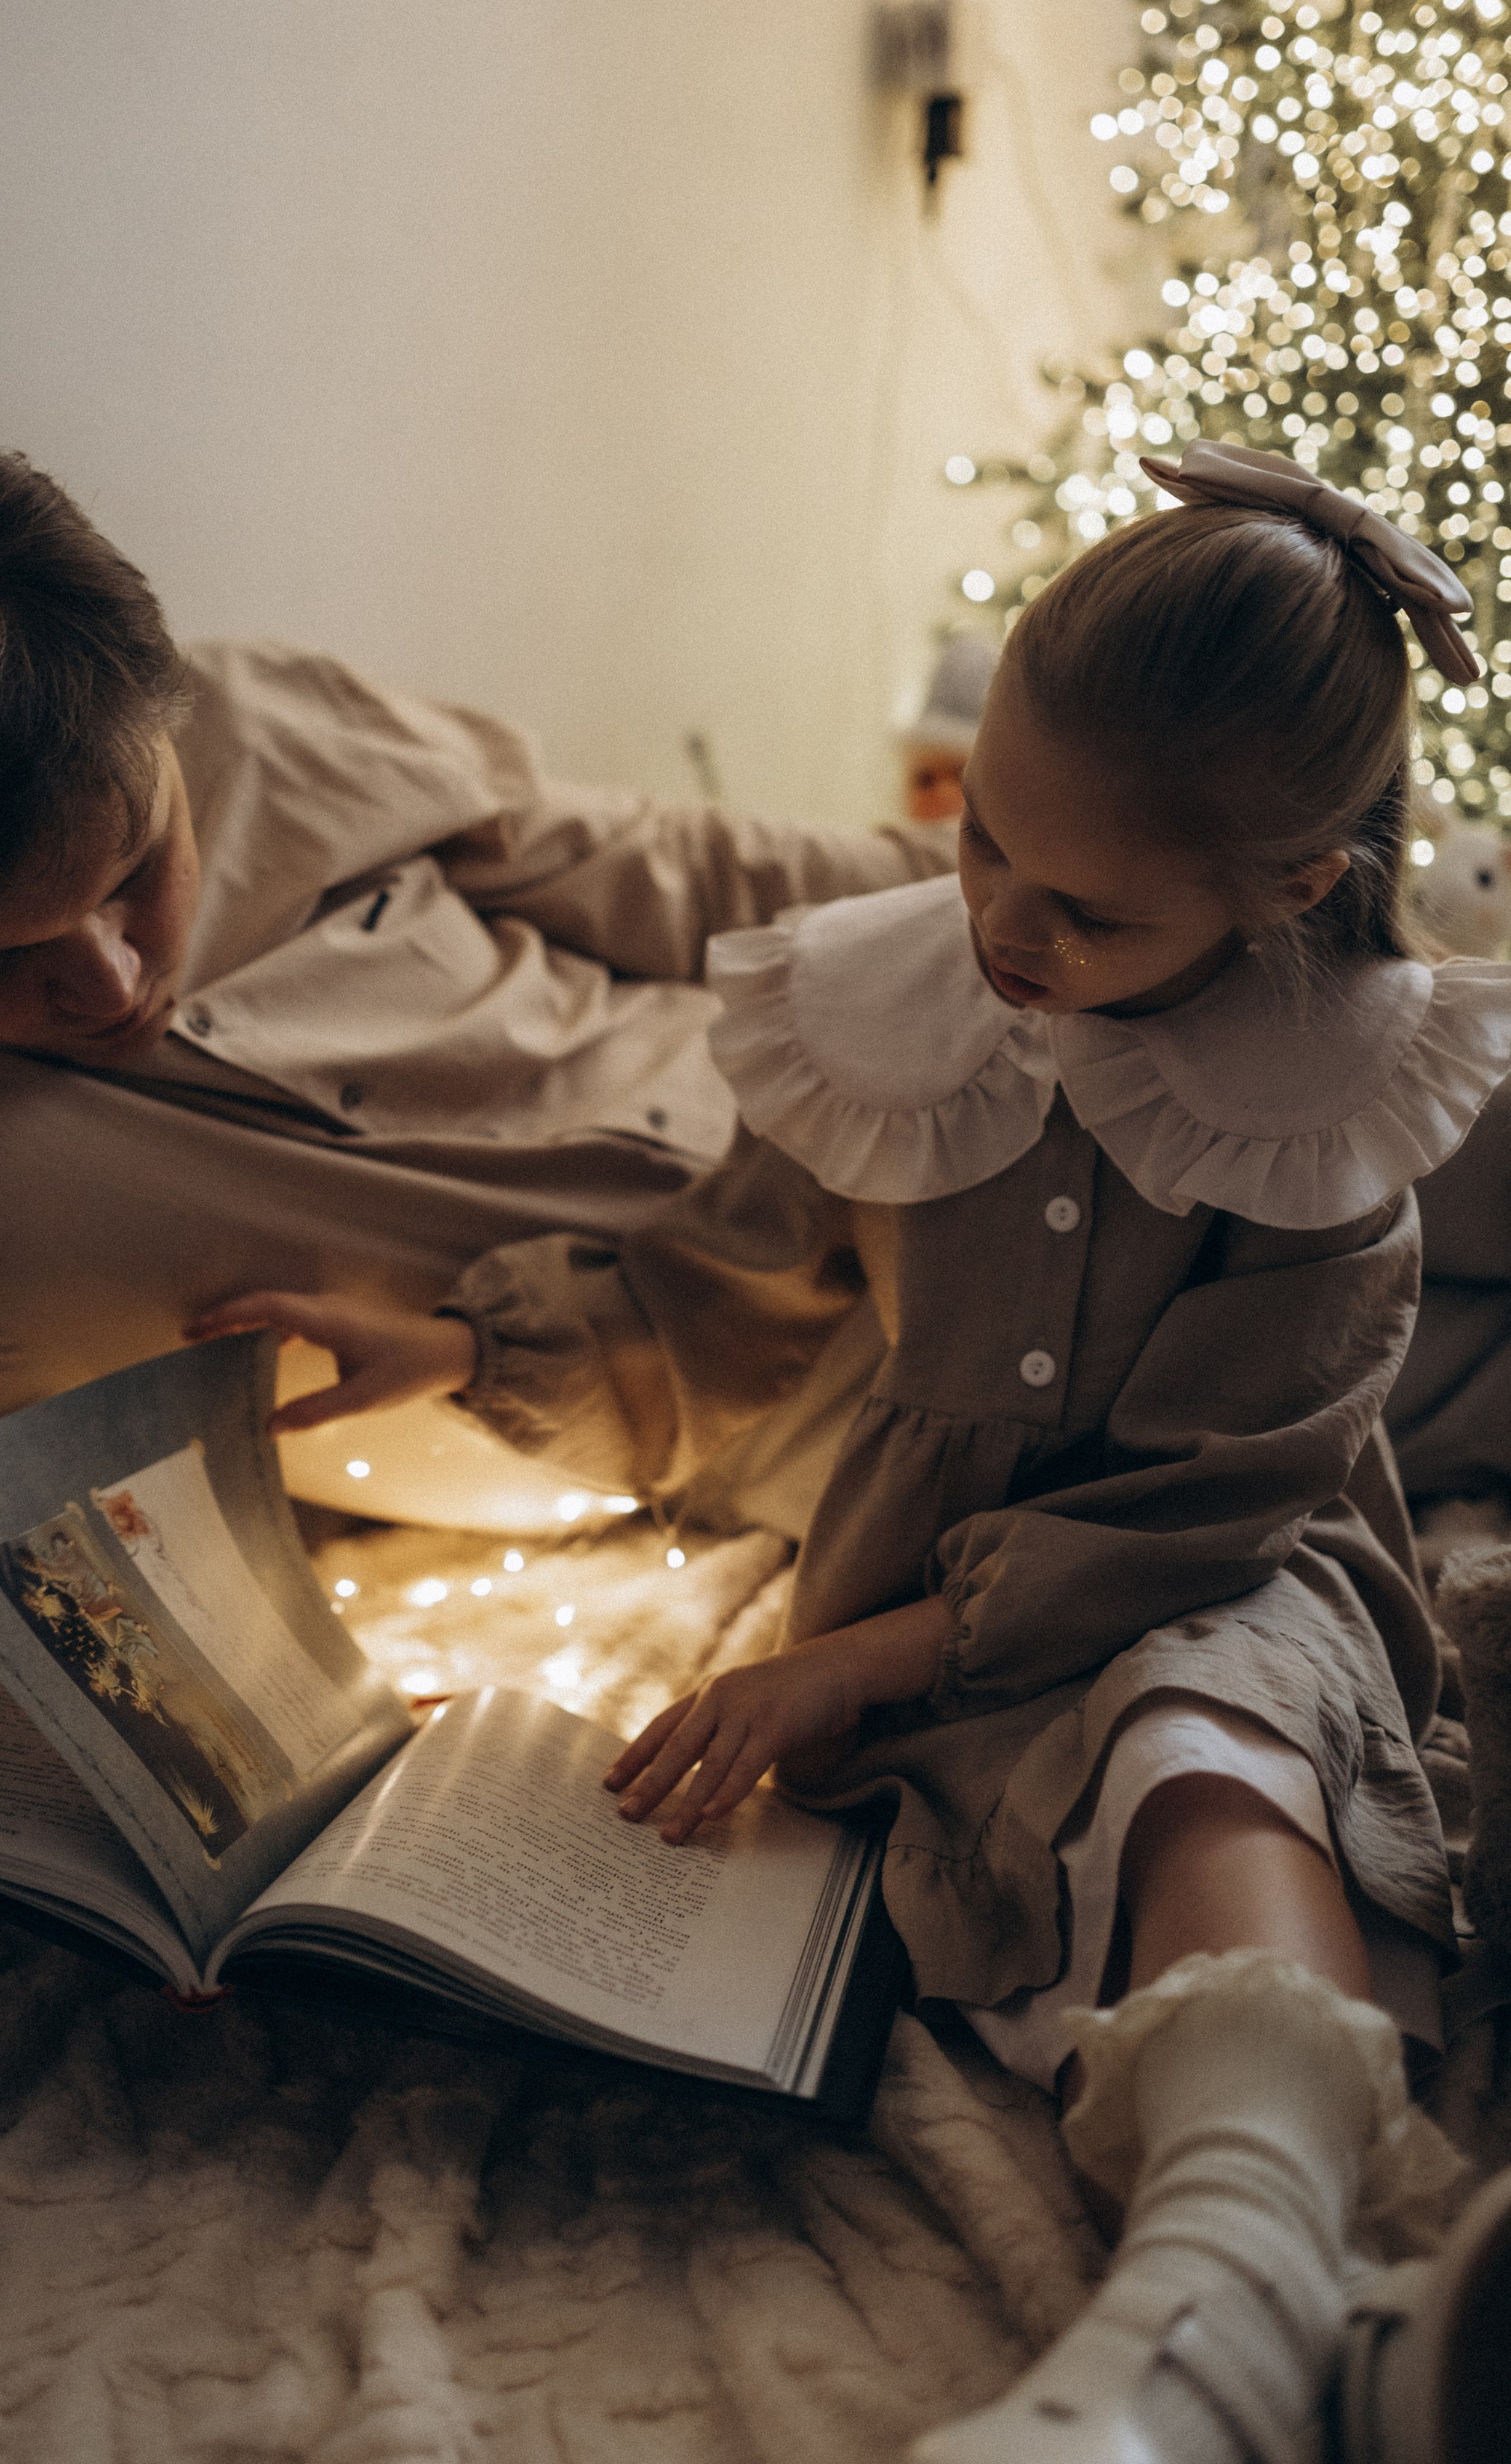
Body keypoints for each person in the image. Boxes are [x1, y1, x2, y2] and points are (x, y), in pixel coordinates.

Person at [191, 442, 1511, 2463]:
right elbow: (712, 1298)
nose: (996, 920)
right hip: (910, 1611)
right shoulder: (902, 1003)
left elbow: (1209, 1511)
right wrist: (451, 1342)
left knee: (1203, 1733)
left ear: (1294, 891)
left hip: (1205, 1579)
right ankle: (1270, 2308)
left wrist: (857, 1663)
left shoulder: (1331, 1109)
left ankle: (1238, 2294)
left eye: (1080, 910)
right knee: (1015, 1820)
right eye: (980, 839)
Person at [0, 442, 954, 1706]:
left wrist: (999, 897)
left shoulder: (253, 714)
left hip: (887, 1102)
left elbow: (664, 869)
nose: (112, 985)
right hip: (759, 1399)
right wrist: (132, 1694)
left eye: (135, 877)